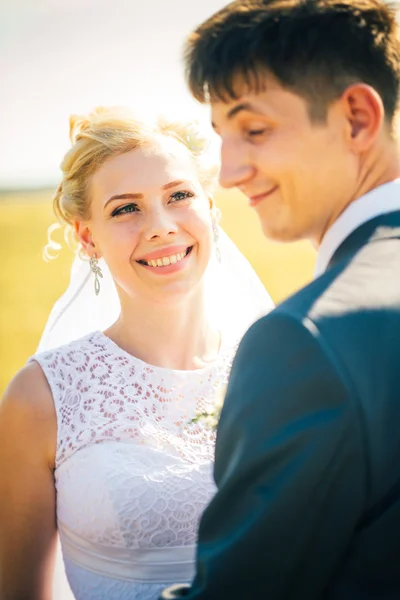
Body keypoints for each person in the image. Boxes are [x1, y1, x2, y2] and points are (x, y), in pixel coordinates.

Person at [161, 1, 400, 599]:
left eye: (255, 130)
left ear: (357, 118)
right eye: (221, 137)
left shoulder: (305, 340)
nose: (231, 172)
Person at [0, 106, 273, 600]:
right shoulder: (41, 398)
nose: (162, 226)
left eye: (180, 196)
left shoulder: (274, 368)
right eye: (126, 208)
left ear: (210, 207)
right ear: (88, 237)